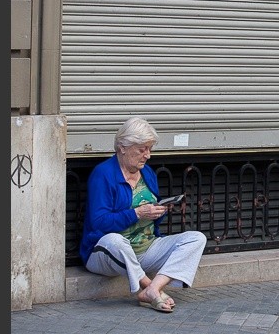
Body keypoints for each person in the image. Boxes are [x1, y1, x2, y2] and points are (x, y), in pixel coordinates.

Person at [79, 117, 207, 313]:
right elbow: (99, 222)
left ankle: (154, 288)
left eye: (149, 149)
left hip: (146, 248)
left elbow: (151, 217)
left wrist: (158, 211)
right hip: (106, 254)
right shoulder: (103, 174)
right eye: (142, 149)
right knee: (115, 240)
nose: (148, 155)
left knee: (196, 238)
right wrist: (137, 213)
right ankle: (150, 288)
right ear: (123, 147)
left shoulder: (147, 173)